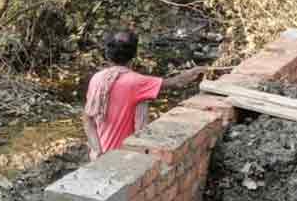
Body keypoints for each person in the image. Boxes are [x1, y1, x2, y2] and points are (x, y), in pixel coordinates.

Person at [83, 30, 208, 160]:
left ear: (107, 54)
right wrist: (197, 70)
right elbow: (177, 82)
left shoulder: (97, 78)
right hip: (123, 158)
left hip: (98, 157)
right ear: (133, 55)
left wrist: (99, 152)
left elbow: (87, 120)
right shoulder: (138, 82)